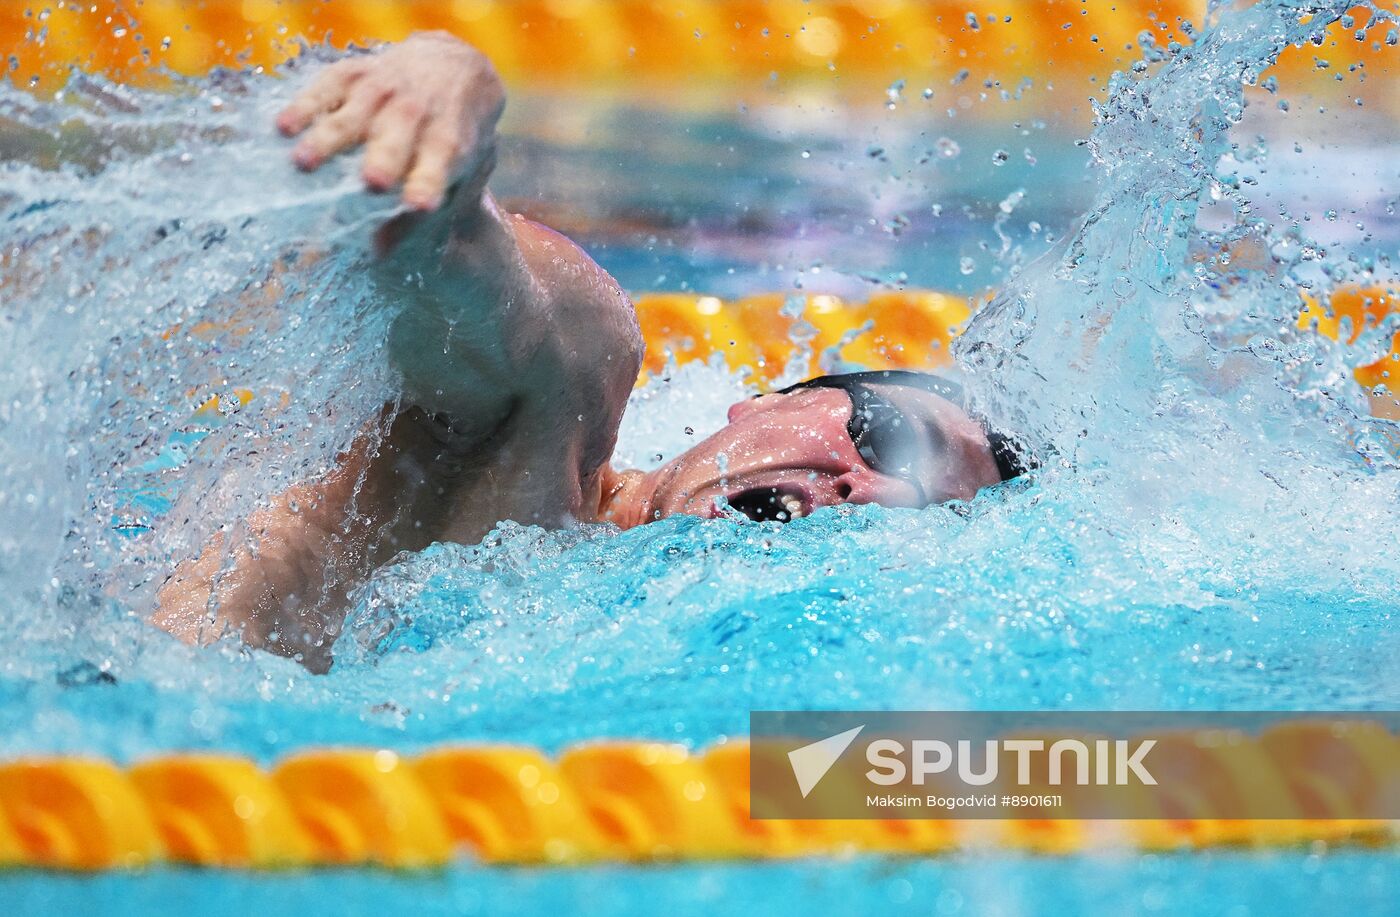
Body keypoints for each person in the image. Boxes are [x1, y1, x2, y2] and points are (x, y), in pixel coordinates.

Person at [153, 32, 1025, 671]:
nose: (870, 493)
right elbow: (455, 263)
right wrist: (454, 96)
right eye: (887, 437)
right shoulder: (563, 398)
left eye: (920, 510)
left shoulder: (651, 654)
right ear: (765, 399)